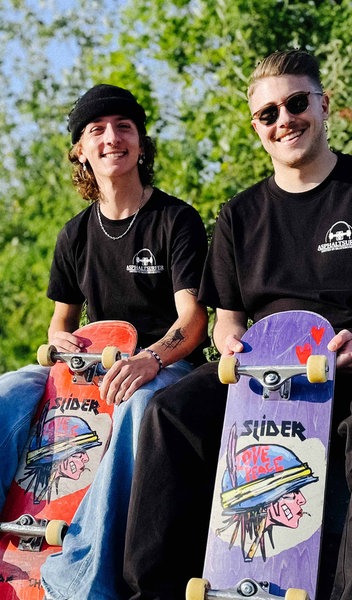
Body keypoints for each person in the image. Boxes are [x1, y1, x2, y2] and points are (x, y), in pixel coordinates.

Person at [123, 50, 352, 600]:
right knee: (168, 413)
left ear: (323, 105)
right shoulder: (239, 215)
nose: (284, 120)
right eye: (268, 113)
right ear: (256, 127)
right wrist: (234, 349)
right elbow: (228, 324)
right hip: (269, 374)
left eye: (296, 103)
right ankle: (152, 591)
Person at [0, 83, 208, 599]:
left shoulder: (174, 219)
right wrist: (62, 347)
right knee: (8, 391)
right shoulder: (74, 235)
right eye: (97, 130)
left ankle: (81, 582)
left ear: (140, 142)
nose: (112, 138)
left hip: (163, 367)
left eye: (124, 127)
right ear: (81, 151)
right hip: (90, 369)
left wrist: (150, 360)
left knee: (140, 407)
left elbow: (194, 320)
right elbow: (59, 325)